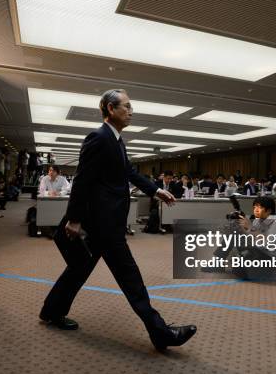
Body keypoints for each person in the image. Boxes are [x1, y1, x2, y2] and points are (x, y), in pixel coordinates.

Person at [40, 89, 196, 350]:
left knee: (78, 270)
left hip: (104, 223)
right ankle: (160, 333)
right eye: (127, 106)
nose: (131, 111)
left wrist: (155, 190)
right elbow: (82, 180)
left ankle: (51, 311)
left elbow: (128, 172)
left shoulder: (116, 140)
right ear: (110, 109)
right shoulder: (99, 137)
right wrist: (74, 219)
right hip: (101, 225)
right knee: (130, 278)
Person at [236, 196, 276, 278]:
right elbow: (252, 236)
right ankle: (218, 262)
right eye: (254, 207)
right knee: (234, 237)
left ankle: (265, 270)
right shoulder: (258, 220)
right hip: (258, 252)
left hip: (270, 257)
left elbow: (270, 244)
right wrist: (242, 228)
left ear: (269, 210)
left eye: (260, 207)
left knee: (243, 272)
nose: (256, 210)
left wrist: (251, 227)